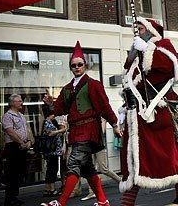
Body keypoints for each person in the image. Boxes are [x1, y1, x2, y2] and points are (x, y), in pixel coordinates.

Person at [119, 17, 178, 206]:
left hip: (157, 112)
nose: (137, 32)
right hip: (136, 114)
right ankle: (127, 202)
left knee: (168, 154)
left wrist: (147, 49)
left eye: (140, 28)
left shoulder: (162, 45)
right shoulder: (136, 57)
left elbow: (171, 67)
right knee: (135, 158)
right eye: (136, 29)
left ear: (150, 30)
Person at [41, 41, 121, 206]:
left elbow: (104, 106)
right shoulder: (67, 88)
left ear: (85, 65)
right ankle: (103, 201)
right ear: (70, 68)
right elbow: (60, 109)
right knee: (87, 168)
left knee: (73, 163)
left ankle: (61, 203)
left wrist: (114, 124)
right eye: (73, 65)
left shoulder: (94, 84)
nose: (77, 67)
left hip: (89, 130)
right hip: (75, 131)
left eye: (79, 64)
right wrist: (50, 104)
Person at [80, 119, 122, 201]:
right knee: (90, 169)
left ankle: (120, 181)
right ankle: (92, 192)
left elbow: (101, 131)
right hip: (90, 146)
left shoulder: (101, 118)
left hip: (99, 146)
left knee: (103, 169)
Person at [2, 94, 32, 206]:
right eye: (19, 101)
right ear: (12, 103)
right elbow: (10, 132)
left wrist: (28, 141)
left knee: (19, 172)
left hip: (22, 146)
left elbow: (26, 130)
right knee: (12, 173)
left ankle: (14, 196)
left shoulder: (21, 115)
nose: (21, 103)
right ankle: (9, 199)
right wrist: (21, 143)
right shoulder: (8, 116)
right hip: (13, 146)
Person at [41, 104, 67, 197]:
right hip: (52, 150)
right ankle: (51, 189)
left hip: (52, 150)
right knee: (52, 169)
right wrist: (59, 131)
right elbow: (51, 134)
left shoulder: (48, 122)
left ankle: (48, 188)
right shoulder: (48, 123)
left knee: (50, 169)